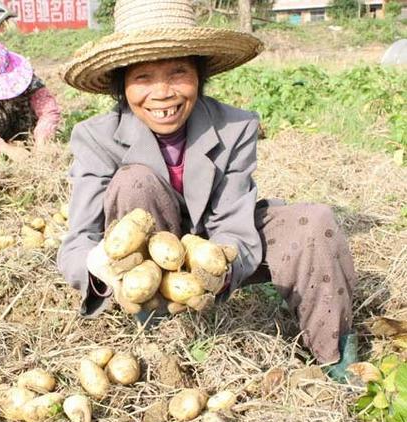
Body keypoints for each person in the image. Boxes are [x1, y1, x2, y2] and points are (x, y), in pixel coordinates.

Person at [57, 0, 358, 382]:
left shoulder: (236, 126)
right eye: (143, 77)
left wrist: (216, 270)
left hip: (211, 245)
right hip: (143, 265)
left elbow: (233, 220)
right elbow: (76, 243)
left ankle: (335, 359)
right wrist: (103, 266)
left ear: (200, 74)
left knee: (315, 221)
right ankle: (156, 329)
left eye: (178, 72)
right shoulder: (95, 137)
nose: (163, 93)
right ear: (122, 84)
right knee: (136, 180)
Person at [0, 41, 60, 162]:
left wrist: (42, 139)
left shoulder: (29, 80)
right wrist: (6, 149)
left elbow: (48, 111)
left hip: (29, 133)